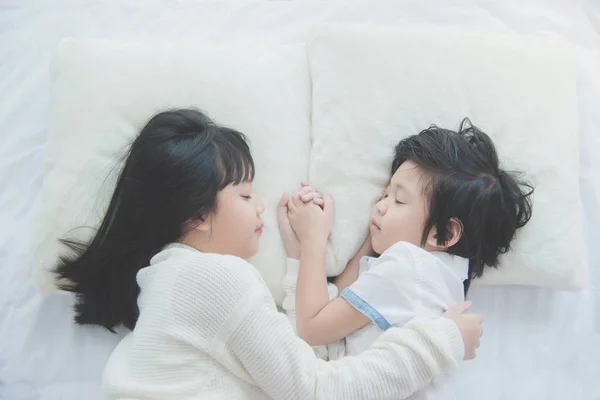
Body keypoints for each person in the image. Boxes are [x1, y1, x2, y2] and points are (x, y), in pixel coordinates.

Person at [54, 109, 483, 400]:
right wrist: (441, 342)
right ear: (200, 214)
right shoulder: (214, 278)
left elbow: (291, 361)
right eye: (244, 193)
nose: (259, 205)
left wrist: (299, 258)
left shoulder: (168, 281)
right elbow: (318, 391)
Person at [285, 119, 533, 399]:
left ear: (444, 233)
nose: (380, 205)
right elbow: (345, 301)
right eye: (385, 193)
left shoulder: (407, 266)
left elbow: (313, 328)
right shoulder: (445, 282)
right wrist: (376, 234)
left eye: (399, 201)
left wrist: (312, 240)